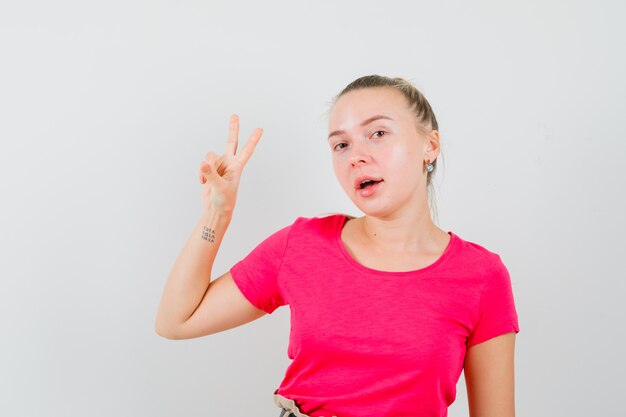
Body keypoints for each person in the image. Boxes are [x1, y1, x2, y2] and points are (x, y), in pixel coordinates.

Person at [155, 75, 520, 417]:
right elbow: (177, 321)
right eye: (341, 144)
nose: (355, 156)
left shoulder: (481, 277)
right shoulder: (301, 246)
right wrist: (216, 216)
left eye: (378, 133)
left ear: (430, 145)